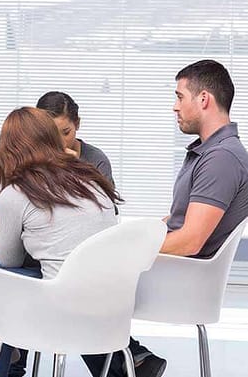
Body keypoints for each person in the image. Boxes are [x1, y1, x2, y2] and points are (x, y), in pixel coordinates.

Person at [0, 107, 120, 377]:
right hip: (111, 304)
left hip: (61, 307)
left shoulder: (17, 193)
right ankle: (1, 365)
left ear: (9, 149)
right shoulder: (91, 179)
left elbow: (9, 260)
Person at [94, 59, 248, 377]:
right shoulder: (210, 153)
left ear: (203, 99)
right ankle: (131, 360)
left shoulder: (221, 159)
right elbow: (179, 220)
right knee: (73, 267)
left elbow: (191, 240)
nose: (174, 107)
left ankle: (126, 362)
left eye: (179, 97)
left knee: (68, 273)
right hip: (175, 275)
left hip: (181, 282)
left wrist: (124, 251)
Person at [36, 91, 114, 184]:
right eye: (52, 134)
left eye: (66, 132)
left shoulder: (97, 161)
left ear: (77, 123)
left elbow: (104, 198)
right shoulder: (33, 159)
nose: (60, 142)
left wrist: (76, 168)